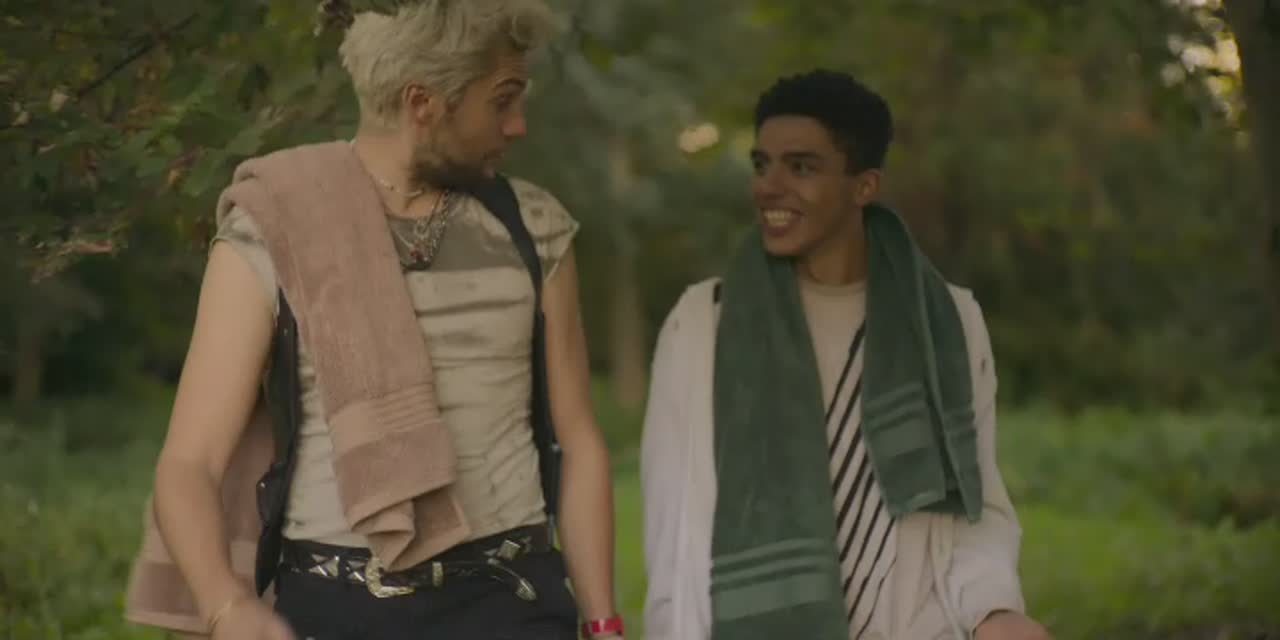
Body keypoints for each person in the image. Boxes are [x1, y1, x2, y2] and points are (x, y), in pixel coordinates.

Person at [123, 1, 623, 639]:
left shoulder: (535, 226)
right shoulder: (274, 230)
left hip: (514, 604)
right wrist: (226, 605)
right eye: (502, 100)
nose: (518, 125)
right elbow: (188, 465)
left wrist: (604, 622)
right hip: (335, 609)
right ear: (423, 103)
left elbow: (578, 442)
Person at [639, 69, 1052, 640]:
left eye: (801, 167)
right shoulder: (703, 322)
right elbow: (672, 536)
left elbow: (971, 510)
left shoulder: (946, 323)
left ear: (864, 186)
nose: (769, 186)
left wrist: (994, 611)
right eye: (762, 164)